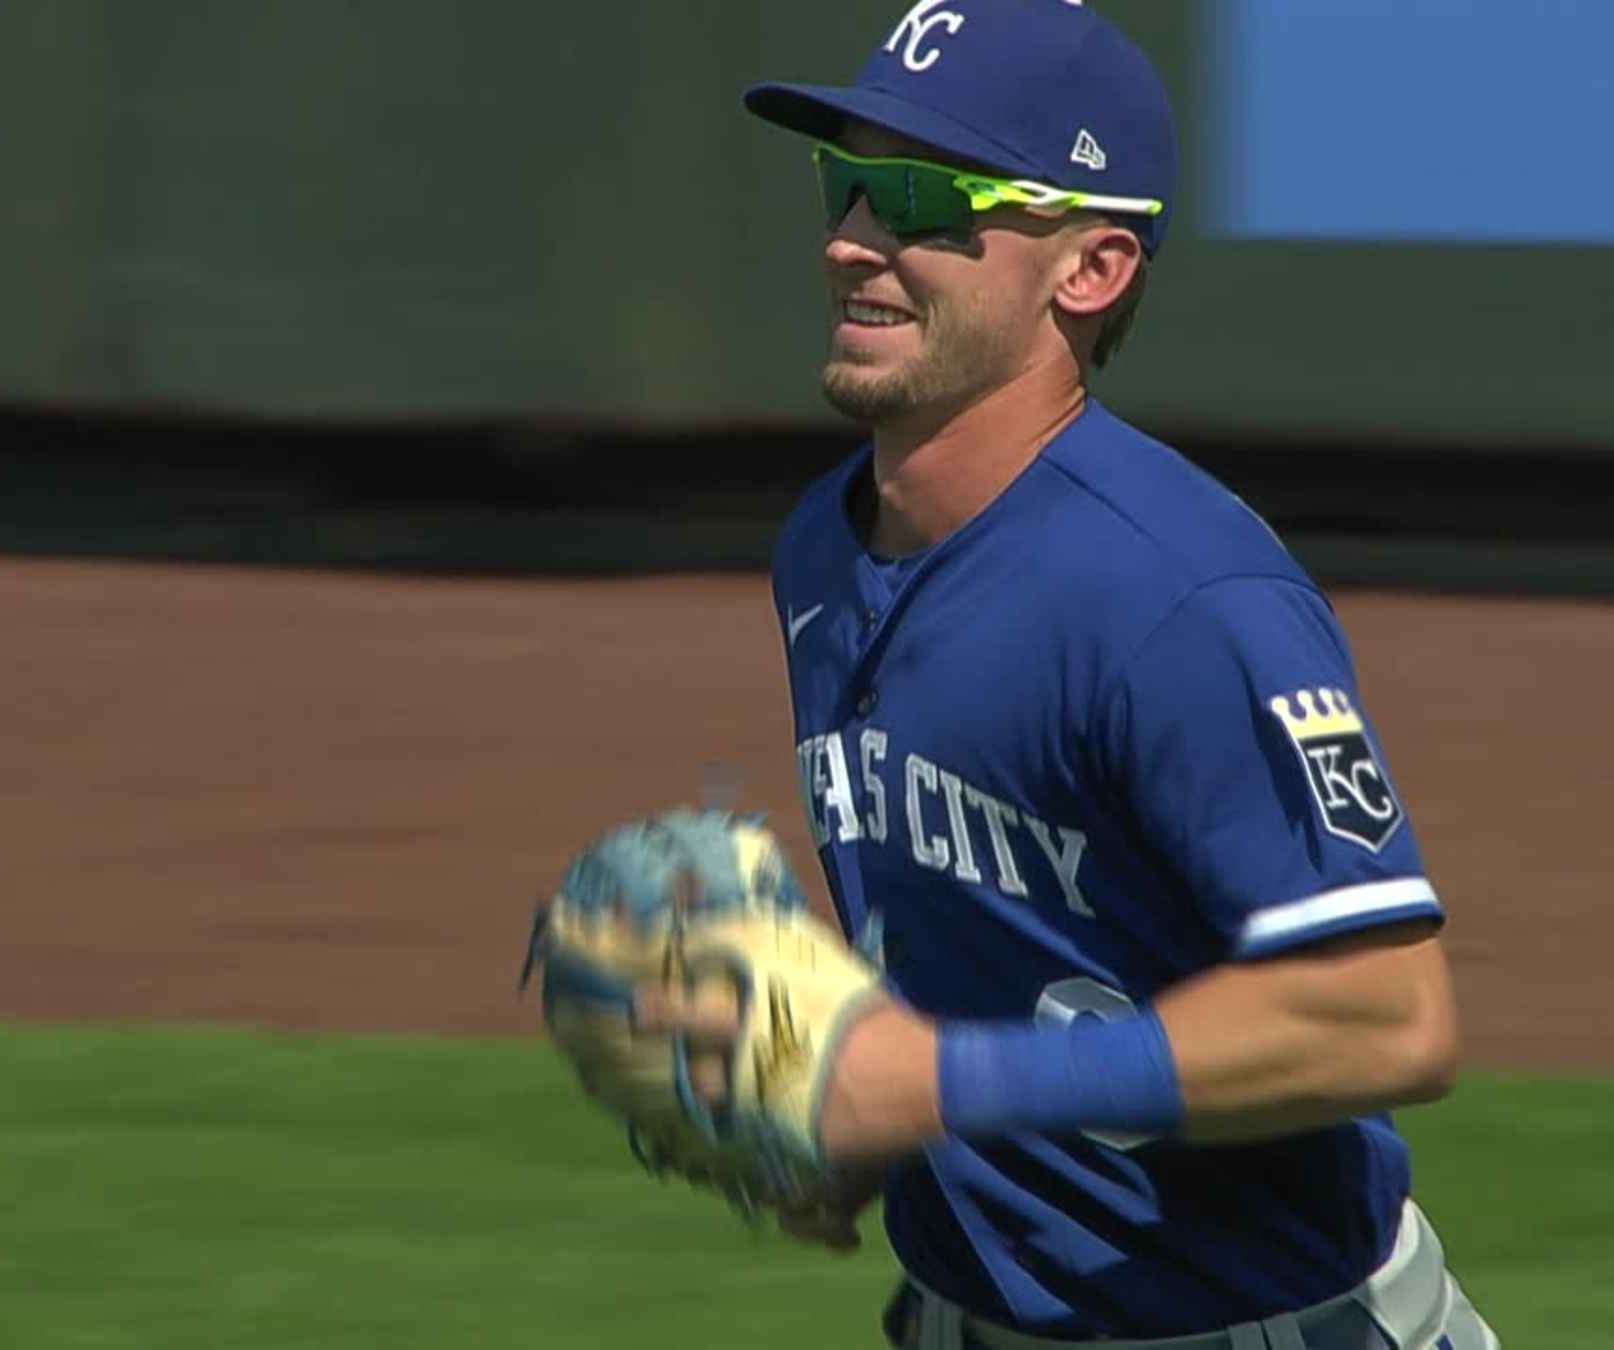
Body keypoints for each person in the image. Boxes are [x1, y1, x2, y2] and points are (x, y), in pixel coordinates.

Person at [637, 4, 1500, 1346]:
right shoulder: (823, 545)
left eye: (927, 198)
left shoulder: (1177, 595)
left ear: (1089, 269)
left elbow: (1388, 1016)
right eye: (847, 180)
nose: (853, 238)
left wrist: (930, 1081)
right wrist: (848, 1122)